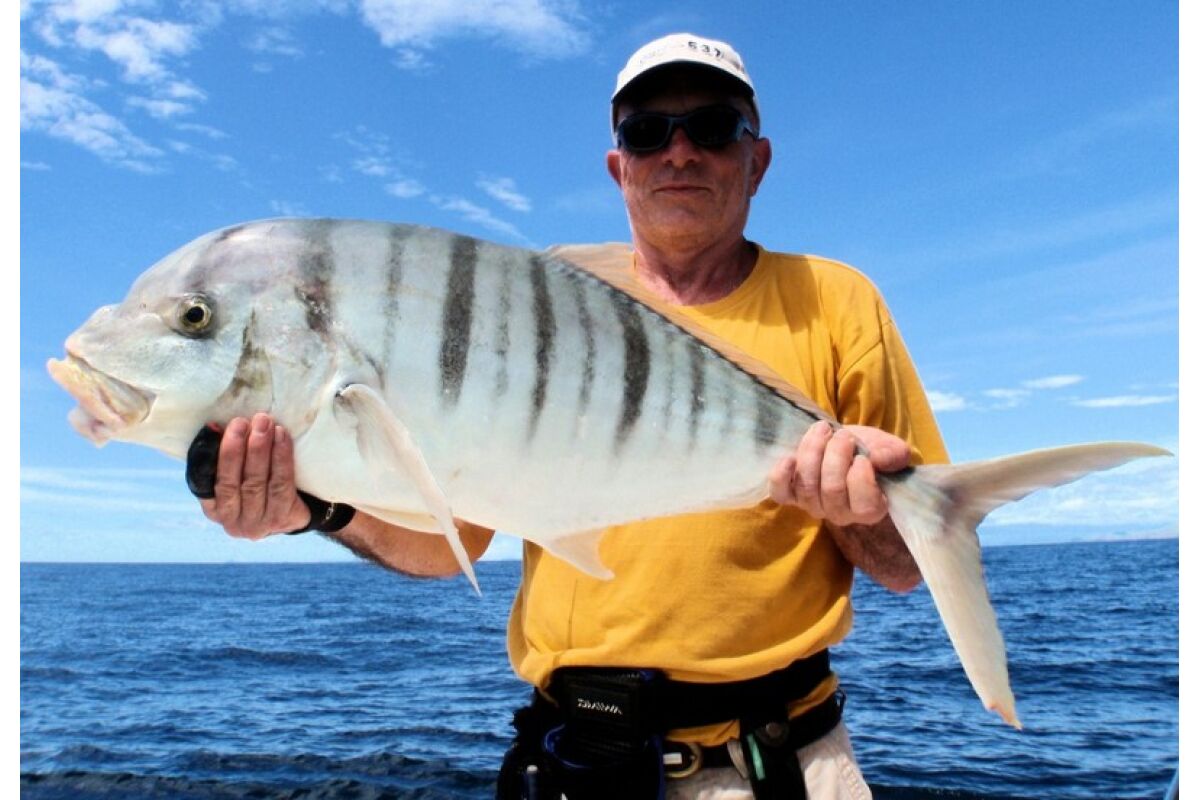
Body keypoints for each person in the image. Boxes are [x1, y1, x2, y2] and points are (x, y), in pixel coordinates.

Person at [195, 33, 947, 800]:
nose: (679, 152)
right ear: (620, 167)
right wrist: (312, 508)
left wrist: (854, 509)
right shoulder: (531, 312)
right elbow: (451, 544)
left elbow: (905, 563)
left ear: (757, 160)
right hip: (572, 765)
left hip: (780, 765)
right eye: (647, 132)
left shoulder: (837, 302)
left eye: (713, 127)